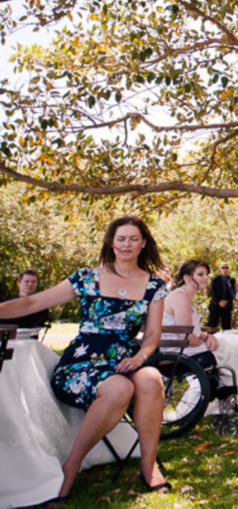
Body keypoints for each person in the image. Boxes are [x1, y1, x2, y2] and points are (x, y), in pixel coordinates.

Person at [0, 215, 171, 503]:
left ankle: (148, 464)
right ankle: (72, 465)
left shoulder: (155, 286)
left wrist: (141, 356)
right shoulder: (86, 278)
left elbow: (153, 333)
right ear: (111, 243)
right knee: (119, 388)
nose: (126, 244)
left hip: (126, 362)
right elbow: (32, 302)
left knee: (152, 381)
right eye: (120, 238)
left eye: (133, 238)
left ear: (143, 243)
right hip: (81, 365)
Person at [162, 260, 238, 407]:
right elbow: (185, 337)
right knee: (222, 348)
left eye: (206, 274)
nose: (205, 278)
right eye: (200, 274)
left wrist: (207, 336)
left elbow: (193, 330)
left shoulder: (187, 297)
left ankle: (227, 395)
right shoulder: (180, 298)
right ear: (187, 277)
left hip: (183, 346)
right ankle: (227, 396)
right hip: (175, 349)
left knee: (224, 344)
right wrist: (206, 342)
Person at [207, 262, 237, 331]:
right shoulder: (215, 279)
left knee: (226, 328)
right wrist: (218, 302)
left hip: (226, 307)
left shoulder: (231, 280)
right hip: (215, 306)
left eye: (226, 267)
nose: (225, 269)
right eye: (223, 267)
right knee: (212, 327)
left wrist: (226, 301)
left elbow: (233, 293)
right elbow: (211, 293)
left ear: (228, 269)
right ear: (220, 269)